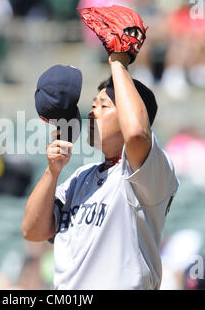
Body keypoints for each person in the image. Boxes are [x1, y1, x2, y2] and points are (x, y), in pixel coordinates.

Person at [21, 30, 179, 289]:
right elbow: (32, 231)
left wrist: (118, 61)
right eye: (93, 106)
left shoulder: (149, 173)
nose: (92, 114)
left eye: (104, 106)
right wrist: (52, 172)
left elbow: (138, 134)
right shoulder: (79, 178)